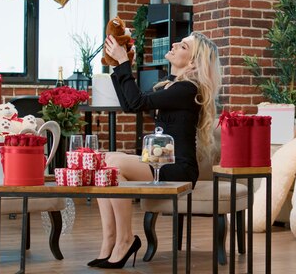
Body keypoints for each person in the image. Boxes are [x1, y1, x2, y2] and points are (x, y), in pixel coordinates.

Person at [89, 31, 221, 269]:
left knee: (112, 164)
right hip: (160, 162)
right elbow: (130, 105)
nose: (174, 44)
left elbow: (137, 102)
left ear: (192, 61)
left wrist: (124, 63)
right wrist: (118, 65)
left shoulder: (188, 89)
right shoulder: (172, 85)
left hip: (177, 168)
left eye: (182, 46)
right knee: (104, 161)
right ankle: (111, 240)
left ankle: (125, 239)